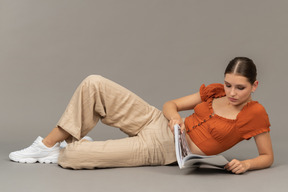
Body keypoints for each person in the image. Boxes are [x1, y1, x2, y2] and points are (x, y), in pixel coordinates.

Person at [9, 57, 273, 174]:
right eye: (228, 85)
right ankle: (45, 145)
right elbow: (170, 104)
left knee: (73, 157)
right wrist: (173, 119)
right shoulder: (215, 92)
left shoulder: (255, 114)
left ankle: (71, 147)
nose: (232, 93)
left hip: (164, 149)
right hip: (156, 122)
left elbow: (267, 157)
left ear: (254, 86)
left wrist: (247, 164)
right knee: (94, 83)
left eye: (240, 88)